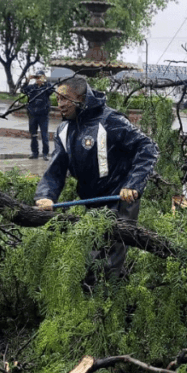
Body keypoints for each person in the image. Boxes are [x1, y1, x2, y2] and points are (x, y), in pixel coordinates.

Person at [34, 77, 159, 289]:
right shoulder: (63, 130)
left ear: (82, 99)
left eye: (65, 98)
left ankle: (105, 307)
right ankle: (99, 296)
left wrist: (133, 184)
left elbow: (147, 148)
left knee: (107, 258)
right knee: (91, 252)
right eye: (57, 98)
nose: (60, 104)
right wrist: (45, 195)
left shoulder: (110, 120)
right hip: (93, 201)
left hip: (120, 199)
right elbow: (55, 169)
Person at [21, 71, 54, 159]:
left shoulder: (46, 87)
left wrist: (45, 81)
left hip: (43, 115)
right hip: (32, 114)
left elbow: (52, 90)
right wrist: (28, 80)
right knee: (33, 135)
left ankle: (45, 154)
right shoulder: (32, 87)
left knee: (44, 135)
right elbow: (23, 90)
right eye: (37, 77)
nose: (38, 79)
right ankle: (34, 153)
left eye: (40, 77)